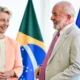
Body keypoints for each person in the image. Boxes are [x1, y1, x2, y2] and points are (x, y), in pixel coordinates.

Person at [35, 1, 80, 80]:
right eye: (52, 14)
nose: (51, 17)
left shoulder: (77, 35)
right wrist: (43, 68)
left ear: (68, 17)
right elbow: (56, 59)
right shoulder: (57, 33)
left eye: (55, 14)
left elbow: (77, 68)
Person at [0, 6, 23, 80]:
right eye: (2, 20)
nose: (6, 24)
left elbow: (19, 67)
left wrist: (9, 73)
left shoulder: (14, 44)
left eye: (8, 20)